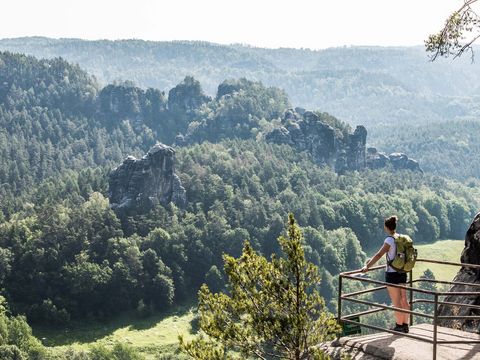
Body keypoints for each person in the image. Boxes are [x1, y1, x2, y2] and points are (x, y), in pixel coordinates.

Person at [361, 215, 410, 333]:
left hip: (392, 274)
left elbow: (379, 255)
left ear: (386, 227)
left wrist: (367, 266)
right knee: (404, 300)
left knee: (396, 301)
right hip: (402, 271)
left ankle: (399, 326)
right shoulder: (400, 238)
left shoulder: (389, 240)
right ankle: (405, 325)